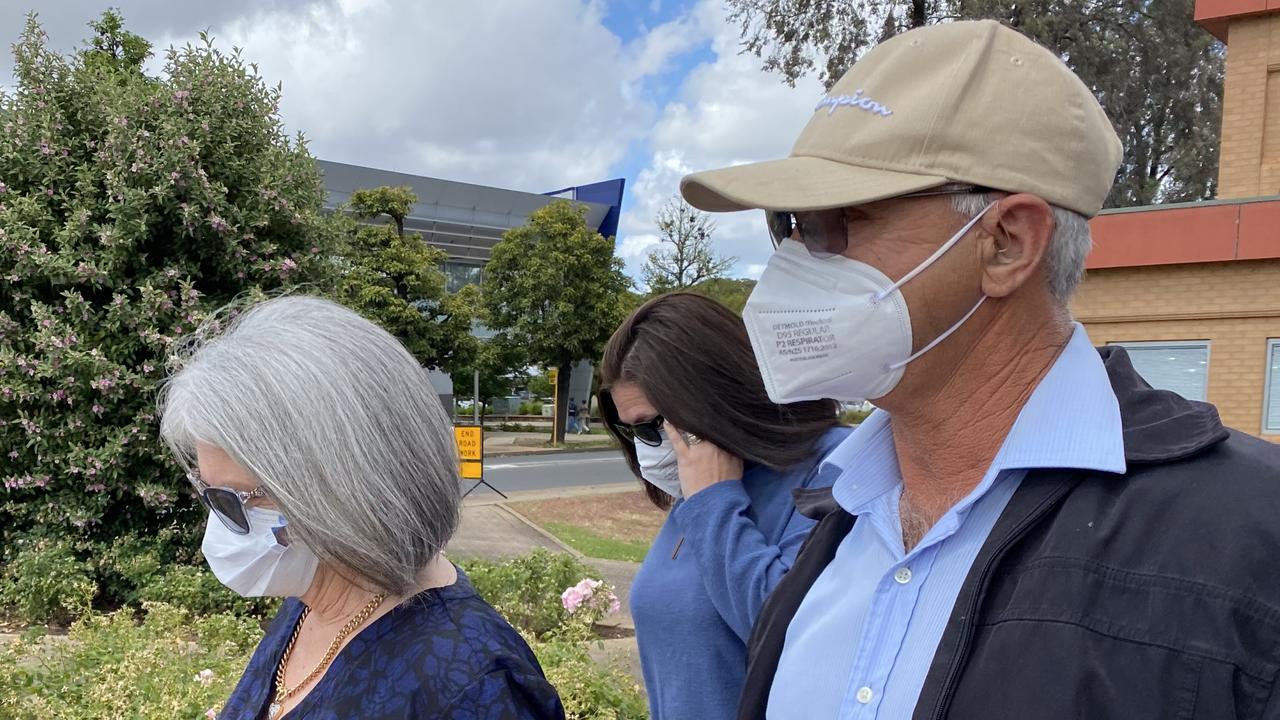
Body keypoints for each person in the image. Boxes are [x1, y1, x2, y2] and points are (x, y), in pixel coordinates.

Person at [679, 20, 1280, 720]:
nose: (791, 263)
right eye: (787, 226)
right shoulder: (840, 511)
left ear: (1006, 244)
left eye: (828, 225)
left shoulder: (1249, 539)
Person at [158, 296, 564, 720]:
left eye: (246, 499)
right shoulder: (313, 602)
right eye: (211, 493)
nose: (223, 522)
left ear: (355, 487)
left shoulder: (475, 688)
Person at [598, 292, 851, 720]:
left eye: (655, 425)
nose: (653, 448)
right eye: (636, 432)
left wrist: (714, 502)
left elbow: (790, 637)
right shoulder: (700, 480)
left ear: (714, 396)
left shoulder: (834, 465)